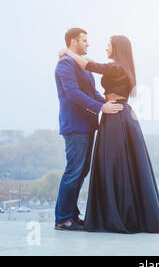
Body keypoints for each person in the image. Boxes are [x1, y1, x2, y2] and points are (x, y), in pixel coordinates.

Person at [59, 35, 159, 234]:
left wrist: (66, 51)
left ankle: (112, 214)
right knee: (119, 165)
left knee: (113, 165)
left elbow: (88, 65)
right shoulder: (122, 67)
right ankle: (115, 213)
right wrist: (102, 106)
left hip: (115, 116)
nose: (106, 47)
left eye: (109, 45)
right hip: (116, 113)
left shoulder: (116, 67)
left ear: (117, 48)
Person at [54, 28, 125, 231]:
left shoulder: (81, 65)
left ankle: (72, 216)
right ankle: (63, 219)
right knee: (73, 171)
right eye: (84, 40)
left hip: (87, 125)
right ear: (73, 41)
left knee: (81, 171)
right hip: (75, 126)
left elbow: (91, 91)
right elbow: (73, 93)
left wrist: (111, 104)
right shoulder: (64, 64)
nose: (88, 44)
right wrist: (101, 108)